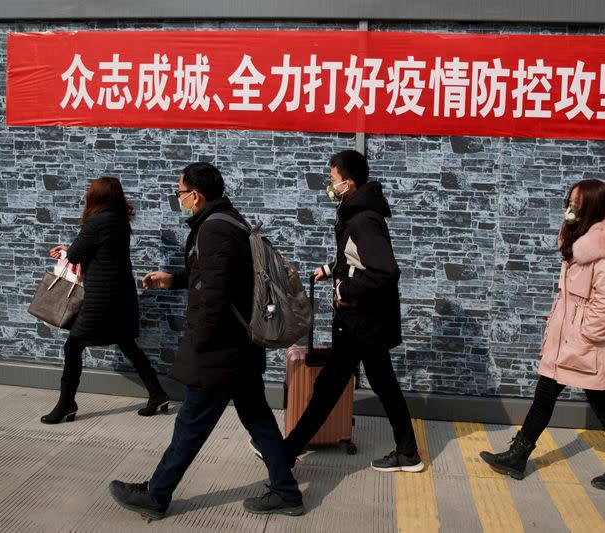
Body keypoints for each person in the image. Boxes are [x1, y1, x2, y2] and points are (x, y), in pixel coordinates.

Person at [108, 162, 303, 520]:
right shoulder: (228, 220)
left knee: (191, 424)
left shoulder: (214, 229)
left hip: (221, 349)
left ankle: (157, 494)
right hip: (239, 347)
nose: (179, 198)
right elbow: (213, 276)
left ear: (195, 195)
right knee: (258, 419)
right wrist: (174, 278)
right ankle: (287, 491)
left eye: (180, 192)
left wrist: (196, 344)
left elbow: (213, 293)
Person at [252, 149, 424, 473]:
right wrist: (331, 270)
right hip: (365, 322)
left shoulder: (364, 219)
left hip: (362, 322)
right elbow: (355, 258)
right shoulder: (355, 212)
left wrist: (345, 288)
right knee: (379, 384)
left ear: (348, 183)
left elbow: (385, 272)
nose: (329, 186)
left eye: (332, 180)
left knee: (329, 387)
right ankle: (408, 452)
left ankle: (286, 452)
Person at [480, 179, 605, 491]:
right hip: (567, 336)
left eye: (577, 203)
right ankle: (518, 454)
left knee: (602, 402)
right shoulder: (579, 237)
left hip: (588, 343)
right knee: (545, 393)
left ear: (591, 206)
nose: (570, 207)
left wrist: (584, 336)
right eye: (570, 200)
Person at [41, 177, 169, 424]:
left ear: (95, 197)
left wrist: (69, 250)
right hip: (120, 295)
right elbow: (96, 250)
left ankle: (66, 404)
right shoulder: (119, 219)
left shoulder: (97, 221)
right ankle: (158, 393)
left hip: (102, 298)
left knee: (73, 346)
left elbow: (78, 253)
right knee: (127, 343)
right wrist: (71, 249)